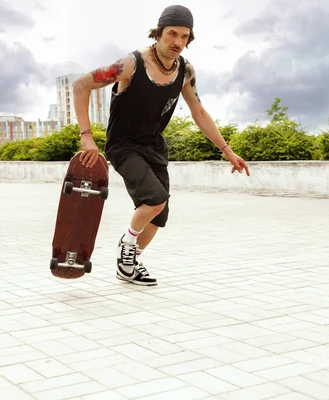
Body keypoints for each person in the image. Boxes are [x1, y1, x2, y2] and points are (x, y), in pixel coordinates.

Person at [71, 5, 250, 286]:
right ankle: (125, 247)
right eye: (172, 34)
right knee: (155, 200)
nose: (178, 42)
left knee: (160, 214)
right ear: (158, 33)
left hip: (154, 146)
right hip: (123, 145)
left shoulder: (186, 72)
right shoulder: (131, 64)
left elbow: (199, 112)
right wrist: (86, 136)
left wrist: (227, 150)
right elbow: (81, 85)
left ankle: (130, 263)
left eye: (184, 36)